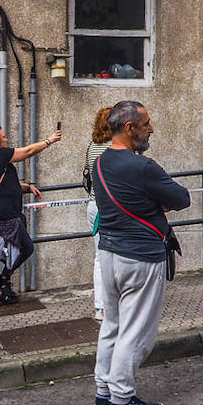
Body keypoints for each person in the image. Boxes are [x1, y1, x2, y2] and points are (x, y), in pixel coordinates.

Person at [90, 100, 190, 405]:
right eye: (147, 123)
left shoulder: (101, 162)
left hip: (108, 254)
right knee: (136, 332)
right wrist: (157, 205)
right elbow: (182, 198)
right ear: (130, 128)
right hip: (140, 258)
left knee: (112, 325)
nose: (152, 129)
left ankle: (103, 390)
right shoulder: (144, 167)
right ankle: (122, 401)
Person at [0, 124, 58, 306]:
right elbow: (27, 151)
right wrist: (49, 140)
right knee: (25, 247)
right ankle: (3, 282)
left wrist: (25, 187)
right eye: (3, 137)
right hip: (5, 217)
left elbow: (3, 184)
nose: (6, 139)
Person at [83, 109, 112, 321]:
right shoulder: (116, 147)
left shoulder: (92, 147)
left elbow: (86, 173)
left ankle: (100, 307)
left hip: (93, 205)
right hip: (111, 207)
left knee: (99, 259)